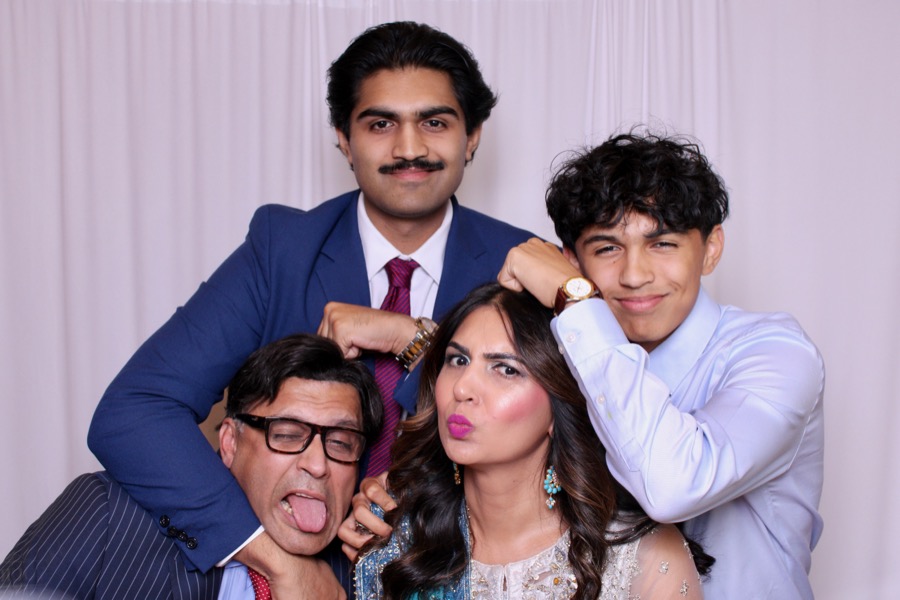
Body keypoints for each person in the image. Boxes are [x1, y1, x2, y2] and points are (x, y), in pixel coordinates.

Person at [86, 20, 533, 599]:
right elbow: (133, 411)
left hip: (460, 571)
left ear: (472, 136)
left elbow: (573, 435)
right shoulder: (283, 250)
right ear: (344, 140)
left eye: (435, 122)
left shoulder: (518, 265)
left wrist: (411, 337)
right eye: (380, 124)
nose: (409, 148)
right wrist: (277, 563)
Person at [497, 131, 825, 599]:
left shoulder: (777, 353)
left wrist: (575, 300)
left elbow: (672, 486)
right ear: (572, 261)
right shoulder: (562, 354)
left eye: (663, 244)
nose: (635, 275)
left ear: (711, 249)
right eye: (607, 248)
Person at [353, 283, 712, 599]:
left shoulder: (640, 560)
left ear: (559, 406)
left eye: (506, 369)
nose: (462, 388)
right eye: (458, 360)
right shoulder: (399, 547)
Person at [0, 334, 382, 599]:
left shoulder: (366, 574)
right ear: (230, 443)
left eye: (340, 442)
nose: (317, 464)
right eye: (285, 434)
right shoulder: (107, 517)